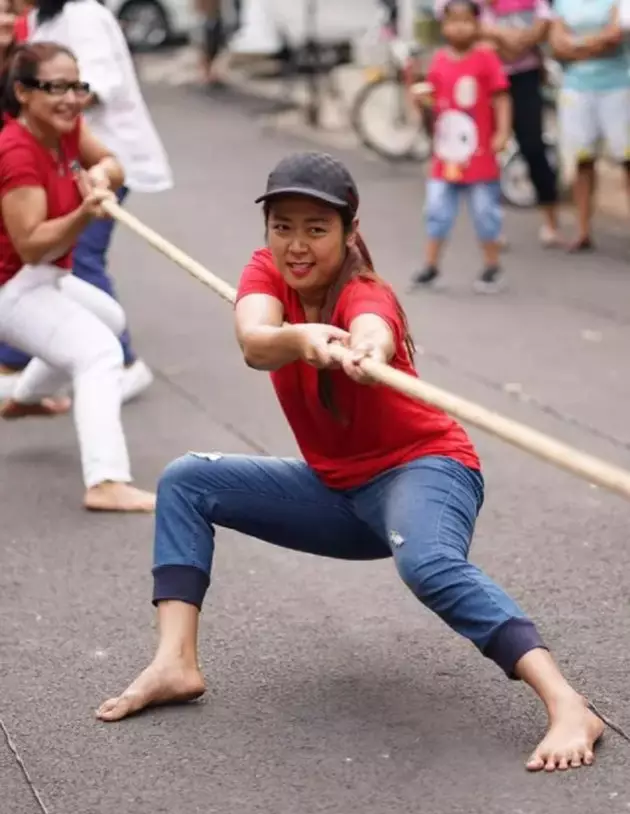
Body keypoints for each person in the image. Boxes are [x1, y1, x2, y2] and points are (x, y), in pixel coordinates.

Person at [97, 150, 604, 773]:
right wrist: (300, 338)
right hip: (338, 494)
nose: (296, 245)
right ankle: (175, 662)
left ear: (349, 231)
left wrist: (364, 348)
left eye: (316, 228)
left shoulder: (367, 293)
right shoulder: (265, 273)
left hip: (426, 470)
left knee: (428, 563)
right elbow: (256, 343)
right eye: (283, 227)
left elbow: (375, 328)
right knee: (186, 480)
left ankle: (568, 703)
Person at [0, 41, 155, 513]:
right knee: (100, 353)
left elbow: (113, 162)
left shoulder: (64, 130)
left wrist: (101, 178)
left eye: (78, 86)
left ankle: (22, 398)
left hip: (42, 275)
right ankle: (106, 480)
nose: (72, 98)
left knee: (108, 318)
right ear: (24, 92)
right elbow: (31, 242)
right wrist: (84, 214)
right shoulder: (16, 152)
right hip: (12, 286)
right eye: (57, 87)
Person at [0, 0, 174, 402]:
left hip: (102, 159)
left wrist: (55, 103)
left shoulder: (84, 16)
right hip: (57, 160)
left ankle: (124, 364)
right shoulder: (41, 23)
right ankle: (19, 370)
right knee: (44, 265)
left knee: (79, 260)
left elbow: (103, 82)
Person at [411, 0, 512, 294]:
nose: (459, 27)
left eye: (466, 20)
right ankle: (431, 266)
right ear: (443, 25)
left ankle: (492, 266)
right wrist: (421, 104)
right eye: (453, 21)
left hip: (480, 155)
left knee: (485, 211)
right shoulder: (439, 60)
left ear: (478, 24)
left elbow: (502, 97)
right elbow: (432, 104)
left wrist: (503, 131)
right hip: (446, 156)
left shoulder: (486, 59)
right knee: (437, 210)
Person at [477, 0, 563, 247]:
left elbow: (544, 19)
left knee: (533, 146)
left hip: (526, 75)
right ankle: (491, 228)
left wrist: (521, 40)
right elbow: (463, 21)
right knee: (487, 151)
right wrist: (503, 36)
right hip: (486, 75)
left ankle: (551, 222)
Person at [550, 0, 628, 251]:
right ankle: (583, 230)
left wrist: (576, 46)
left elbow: (616, 35)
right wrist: (597, 43)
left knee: (627, 160)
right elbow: (557, 46)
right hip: (577, 88)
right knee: (582, 160)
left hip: (617, 85)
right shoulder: (563, 3)